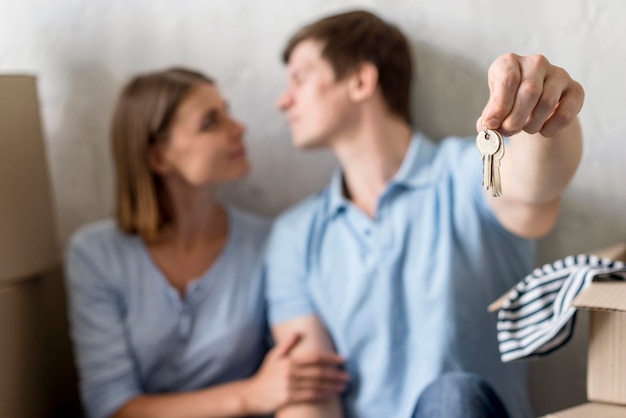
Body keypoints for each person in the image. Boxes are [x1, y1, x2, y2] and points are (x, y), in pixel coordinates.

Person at [265, 10, 584, 418]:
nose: (283, 100)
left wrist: (544, 112)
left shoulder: (465, 173)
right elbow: (311, 398)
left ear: (360, 81)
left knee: (453, 395)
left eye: (299, 79)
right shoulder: (294, 236)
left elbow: (536, 186)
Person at [65, 68, 349, 418]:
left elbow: (296, 377)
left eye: (227, 112)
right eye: (211, 122)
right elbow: (111, 406)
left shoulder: (270, 242)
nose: (239, 128)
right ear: (159, 158)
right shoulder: (95, 254)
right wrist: (250, 396)